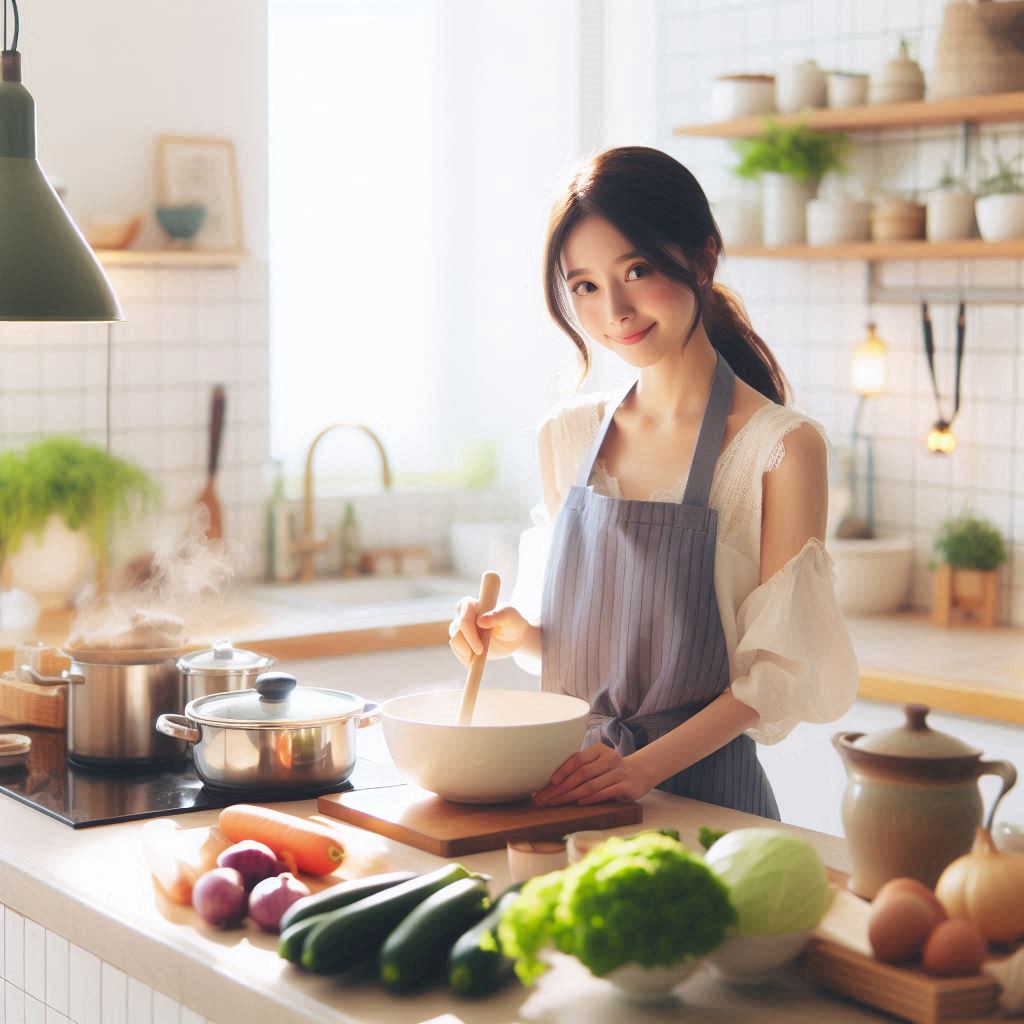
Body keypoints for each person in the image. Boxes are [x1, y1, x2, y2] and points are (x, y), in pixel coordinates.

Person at [448, 146, 858, 819]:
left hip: (704, 801)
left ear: (702, 258)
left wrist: (639, 771)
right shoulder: (568, 437)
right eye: (583, 286)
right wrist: (516, 634)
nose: (614, 310)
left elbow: (775, 674)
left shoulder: (780, 449)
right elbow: (588, 648)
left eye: (636, 271)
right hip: (569, 786)